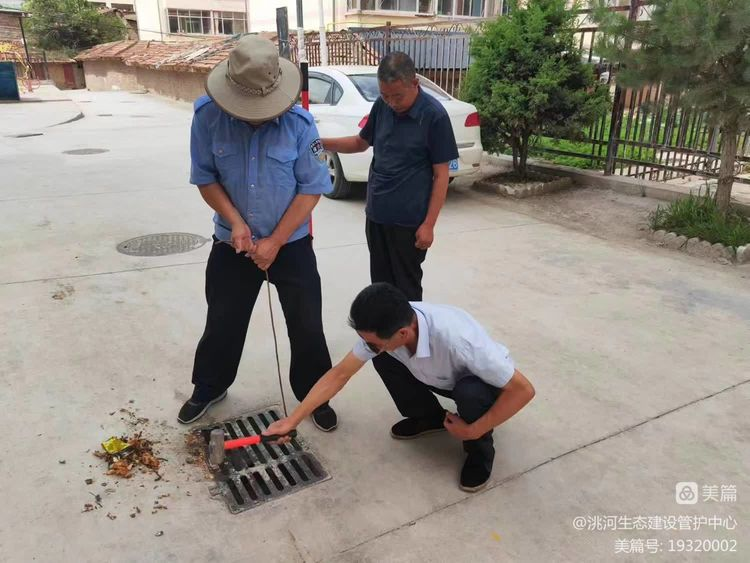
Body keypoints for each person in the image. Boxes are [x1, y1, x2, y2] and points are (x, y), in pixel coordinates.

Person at [177, 35, 337, 433]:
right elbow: (205, 177)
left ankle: (315, 395)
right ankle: (209, 387)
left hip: (292, 243)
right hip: (233, 241)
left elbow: (312, 187)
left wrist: (276, 242)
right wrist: (235, 221)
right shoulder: (206, 117)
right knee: (223, 320)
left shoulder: (300, 123)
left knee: (306, 324)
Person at [264, 283, 535, 492]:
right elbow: (339, 375)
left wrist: (473, 429)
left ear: (404, 333)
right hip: (438, 376)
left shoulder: (461, 341)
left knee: (470, 394)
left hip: (479, 384)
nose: (368, 346)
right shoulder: (389, 329)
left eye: (373, 342)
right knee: (382, 359)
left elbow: (523, 391)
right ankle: (429, 417)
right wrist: (292, 420)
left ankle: (479, 452)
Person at [321, 52, 457, 302]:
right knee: (381, 286)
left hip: (409, 221)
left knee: (407, 288)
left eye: (398, 96)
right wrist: (321, 142)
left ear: (414, 84)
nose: (392, 102)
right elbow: (360, 143)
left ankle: (413, 338)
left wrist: (429, 225)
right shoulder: (382, 106)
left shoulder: (433, 116)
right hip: (377, 214)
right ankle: (384, 338)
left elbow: (441, 175)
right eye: (385, 95)